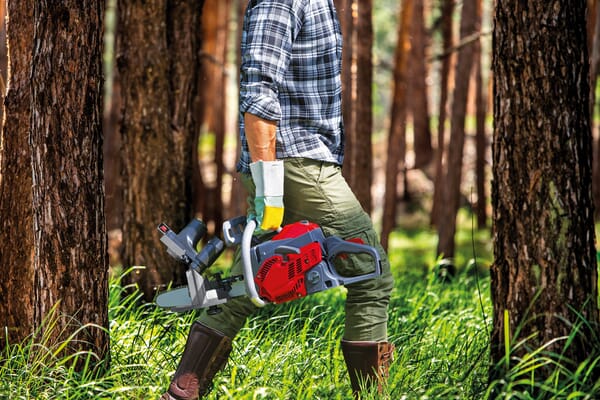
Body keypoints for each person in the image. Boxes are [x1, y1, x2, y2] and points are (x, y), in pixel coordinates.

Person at [161, 0, 394, 398]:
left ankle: (182, 392)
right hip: (295, 163)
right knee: (370, 273)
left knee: (242, 287)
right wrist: (269, 189)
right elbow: (259, 91)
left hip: (296, 162)